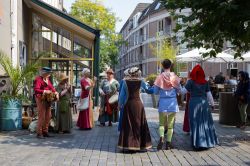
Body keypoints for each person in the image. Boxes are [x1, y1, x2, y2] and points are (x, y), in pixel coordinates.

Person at [118, 67, 153, 151]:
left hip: (128, 105)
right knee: (139, 124)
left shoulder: (125, 82)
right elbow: (148, 90)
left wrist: (119, 105)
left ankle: (129, 144)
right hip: (138, 105)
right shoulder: (141, 81)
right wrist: (157, 88)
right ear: (137, 74)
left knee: (129, 125)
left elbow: (122, 96)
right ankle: (140, 144)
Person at [185, 65, 219, 150]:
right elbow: (209, 94)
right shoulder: (205, 82)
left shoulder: (190, 82)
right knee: (205, 122)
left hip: (194, 104)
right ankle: (207, 142)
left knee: (195, 123)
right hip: (204, 104)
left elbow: (183, 91)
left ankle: (197, 143)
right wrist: (212, 104)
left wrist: (176, 87)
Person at [154, 59, 181, 150]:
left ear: (162, 66)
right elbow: (179, 91)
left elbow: (155, 91)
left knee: (161, 124)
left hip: (162, 103)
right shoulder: (175, 77)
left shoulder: (159, 77)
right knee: (170, 125)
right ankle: (168, 143)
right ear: (170, 66)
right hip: (172, 103)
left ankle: (162, 137)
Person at [33, 67, 59, 139]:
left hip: (47, 99)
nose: (50, 75)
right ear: (45, 73)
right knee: (42, 116)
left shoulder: (47, 79)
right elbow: (36, 90)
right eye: (49, 73)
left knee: (48, 116)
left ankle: (45, 131)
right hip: (40, 99)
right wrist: (45, 91)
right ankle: (39, 133)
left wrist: (55, 92)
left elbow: (51, 87)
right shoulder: (38, 79)